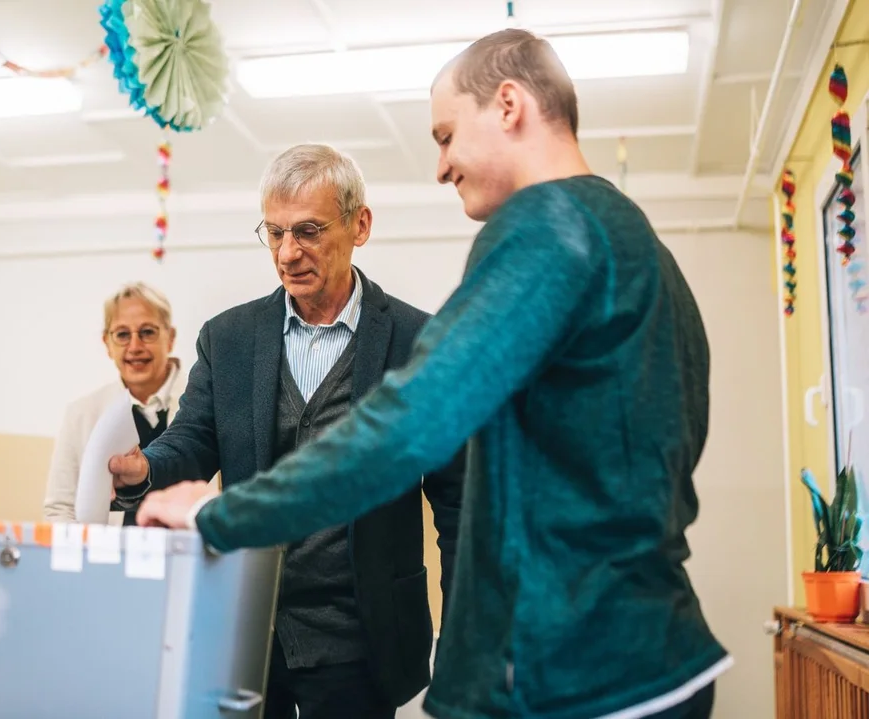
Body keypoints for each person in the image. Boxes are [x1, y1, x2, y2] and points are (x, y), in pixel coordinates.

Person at [136, 29, 727, 719]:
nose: (441, 165)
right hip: (654, 655)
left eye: (447, 135)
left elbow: (404, 427)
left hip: (568, 675)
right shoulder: (633, 238)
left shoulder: (543, 229)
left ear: (508, 104)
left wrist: (220, 513)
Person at [108, 143, 466, 719]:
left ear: (360, 225)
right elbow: (194, 439)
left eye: (307, 231)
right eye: (273, 233)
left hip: (363, 637)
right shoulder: (227, 338)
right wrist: (149, 466)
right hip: (246, 624)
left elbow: (455, 503)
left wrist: (461, 638)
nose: (288, 253)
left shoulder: (417, 340)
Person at [42, 282, 187, 526]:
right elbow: (59, 510)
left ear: (170, 338)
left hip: (185, 557)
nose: (135, 347)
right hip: (105, 560)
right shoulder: (81, 414)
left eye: (147, 332)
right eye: (122, 335)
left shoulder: (203, 403)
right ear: (107, 344)